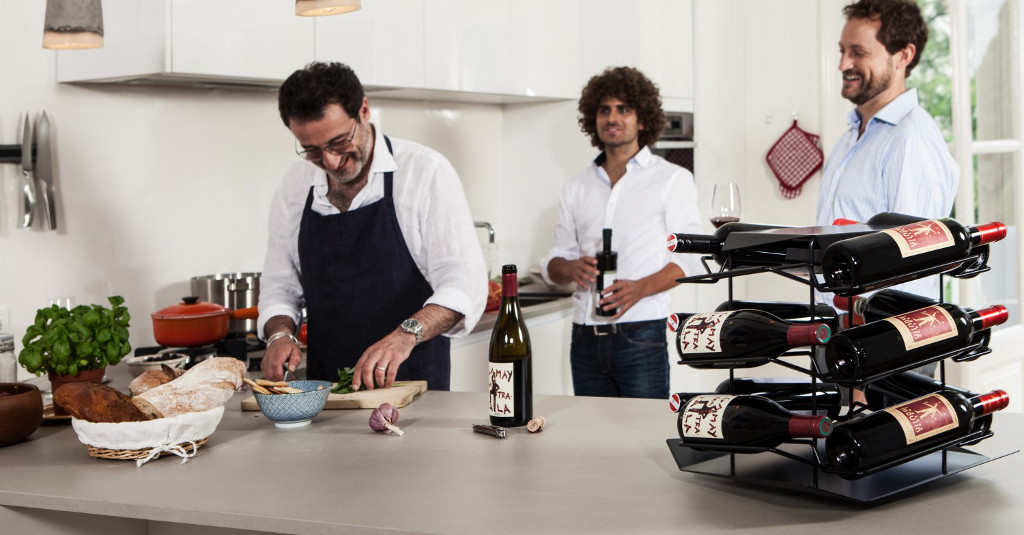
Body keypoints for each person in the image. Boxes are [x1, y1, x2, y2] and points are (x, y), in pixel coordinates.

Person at [257, 62, 486, 391]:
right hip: (326, 392)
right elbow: (280, 286)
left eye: (339, 142)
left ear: (364, 110)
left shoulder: (425, 172)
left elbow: (464, 284)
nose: (331, 161)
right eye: (312, 150)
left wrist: (405, 335)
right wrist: (279, 335)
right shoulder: (294, 185)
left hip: (412, 386)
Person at [540, 66, 702, 399]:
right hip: (584, 338)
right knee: (592, 432)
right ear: (594, 119)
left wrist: (639, 289)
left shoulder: (672, 179)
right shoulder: (576, 187)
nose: (612, 117)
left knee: (643, 429)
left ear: (642, 120)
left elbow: (690, 261)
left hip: (641, 334)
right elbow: (553, 264)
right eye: (604, 110)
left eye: (623, 109)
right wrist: (570, 268)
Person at [818, 0, 958, 377]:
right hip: (843, 336)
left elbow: (911, 271)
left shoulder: (911, 140)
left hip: (886, 348)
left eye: (858, 52)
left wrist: (871, 368)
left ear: (903, 56)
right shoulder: (851, 136)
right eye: (842, 50)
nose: (843, 64)